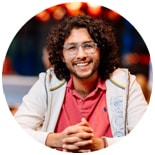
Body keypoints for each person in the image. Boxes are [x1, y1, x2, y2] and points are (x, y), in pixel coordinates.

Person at [14, 14, 148, 152]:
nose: (81, 55)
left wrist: (102, 144)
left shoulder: (126, 83)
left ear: (100, 50)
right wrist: (58, 139)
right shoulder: (47, 83)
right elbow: (15, 132)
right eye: (72, 48)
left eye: (88, 46)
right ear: (62, 56)